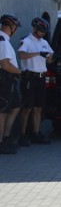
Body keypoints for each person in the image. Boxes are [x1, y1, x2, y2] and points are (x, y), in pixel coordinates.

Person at [17, 17, 54, 145]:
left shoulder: (44, 42)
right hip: (29, 77)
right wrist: (38, 53)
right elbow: (21, 55)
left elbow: (50, 58)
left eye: (44, 32)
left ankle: (36, 133)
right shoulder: (26, 41)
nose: (42, 34)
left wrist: (49, 57)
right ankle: (22, 134)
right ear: (34, 29)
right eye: (41, 31)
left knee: (38, 107)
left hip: (41, 77)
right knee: (27, 107)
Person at [0, 14, 23, 154]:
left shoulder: (4, 40)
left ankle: (6, 136)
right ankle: (1, 142)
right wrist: (19, 72)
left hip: (9, 79)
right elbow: (5, 64)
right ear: (12, 27)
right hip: (5, 78)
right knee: (2, 111)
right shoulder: (2, 40)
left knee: (15, 106)